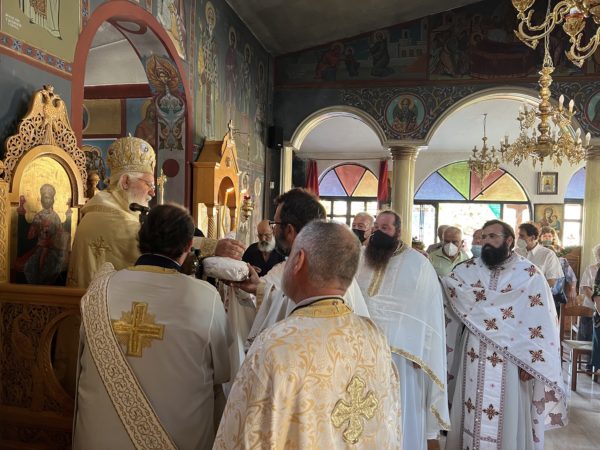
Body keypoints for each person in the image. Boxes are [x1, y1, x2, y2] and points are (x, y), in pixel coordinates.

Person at [214, 221, 402, 449]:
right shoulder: (376, 339)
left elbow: (244, 437)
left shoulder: (275, 346)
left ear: (299, 261)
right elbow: (390, 425)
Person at [73, 204, 231, 450]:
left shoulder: (100, 289)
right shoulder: (205, 297)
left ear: (140, 239)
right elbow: (223, 372)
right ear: (189, 245)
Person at [442, 220, 567, 449]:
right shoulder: (467, 270)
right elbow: (447, 291)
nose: (486, 242)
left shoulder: (528, 273)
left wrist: (533, 362)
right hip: (473, 351)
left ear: (509, 240)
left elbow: (541, 319)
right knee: (470, 403)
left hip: (512, 356)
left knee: (507, 413)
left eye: (493, 237)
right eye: (484, 237)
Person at [67, 136, 244, 288]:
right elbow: (153, 241)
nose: (153, 192)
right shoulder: (105, 215)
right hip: (92, 310)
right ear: (125, 182)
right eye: (149, 184)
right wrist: (212, 246)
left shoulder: (117, 207)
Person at [234, 188, 370, 351]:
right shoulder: (331, 265)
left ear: (289, 230)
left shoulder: (303, 272)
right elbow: (288, 303)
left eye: (275, 224)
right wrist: (259, 288)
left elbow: (293, 309)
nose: (273, 230)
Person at [356, 210, 449, 450]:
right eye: (376, 227)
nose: (378, 232)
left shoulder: (418, 264)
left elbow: (429, 311)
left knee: (401, 413)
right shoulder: (360, 258)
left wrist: (423, 350)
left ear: (398, 232)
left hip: (404, 356)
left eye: (385, 228)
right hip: (363, 350)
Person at [23, 183, 67, 284]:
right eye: (45, 197)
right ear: (41, 199)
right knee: (33, 265)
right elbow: (30, 236)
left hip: (52, 248)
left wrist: (55, 239)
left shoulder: (55, 217)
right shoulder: (38, 216)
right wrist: (39, 226)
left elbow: (60, 235)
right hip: (39, 247)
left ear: (53, 200)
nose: (47, 200)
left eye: (49, 198)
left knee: (54, 266)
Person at [539, 226, 577, 314]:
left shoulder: (561, 260)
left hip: (556, 295)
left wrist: (573, 289)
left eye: (549, 236)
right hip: (539, 293)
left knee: (555, 316)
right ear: (540, 238)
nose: (547, 238)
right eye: (544, 236)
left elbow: (572, 277)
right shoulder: (536, 255)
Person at [516, 223, 563, 288]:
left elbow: (551, 282)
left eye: (522, 236)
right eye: (518, 235)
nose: (519, 238)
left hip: (537, 292)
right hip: (517, 290)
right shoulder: (516, 252)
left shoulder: (548, 254)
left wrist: (531, 290)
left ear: (532, 238)